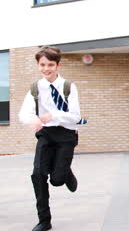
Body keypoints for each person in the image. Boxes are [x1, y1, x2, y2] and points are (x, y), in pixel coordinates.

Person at [19, 46, 83, 231]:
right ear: (38, 65)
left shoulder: (68, 87)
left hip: (66, 135)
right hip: (46, 135)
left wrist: (53, 115)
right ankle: (44, 220)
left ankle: (65, 173)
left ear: (58, 65)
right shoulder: (35, 88)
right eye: (42, 65)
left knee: (56, 179)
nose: (46, 69)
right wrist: (32, 119)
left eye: (50, 65)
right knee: (38, 174)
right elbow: (23, 113)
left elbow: (75, 116)